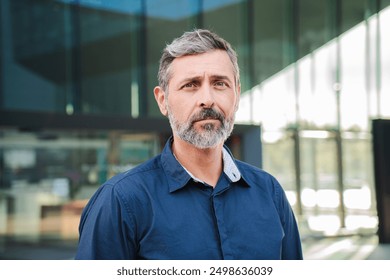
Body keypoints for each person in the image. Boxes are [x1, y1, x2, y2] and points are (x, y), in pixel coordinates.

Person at [75, 29, 303, 260]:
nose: (207, 99)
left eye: (220, 83)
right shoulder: (121, 200)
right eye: (191, 85)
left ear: (237, 95)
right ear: (163, 101)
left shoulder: (270, 192)